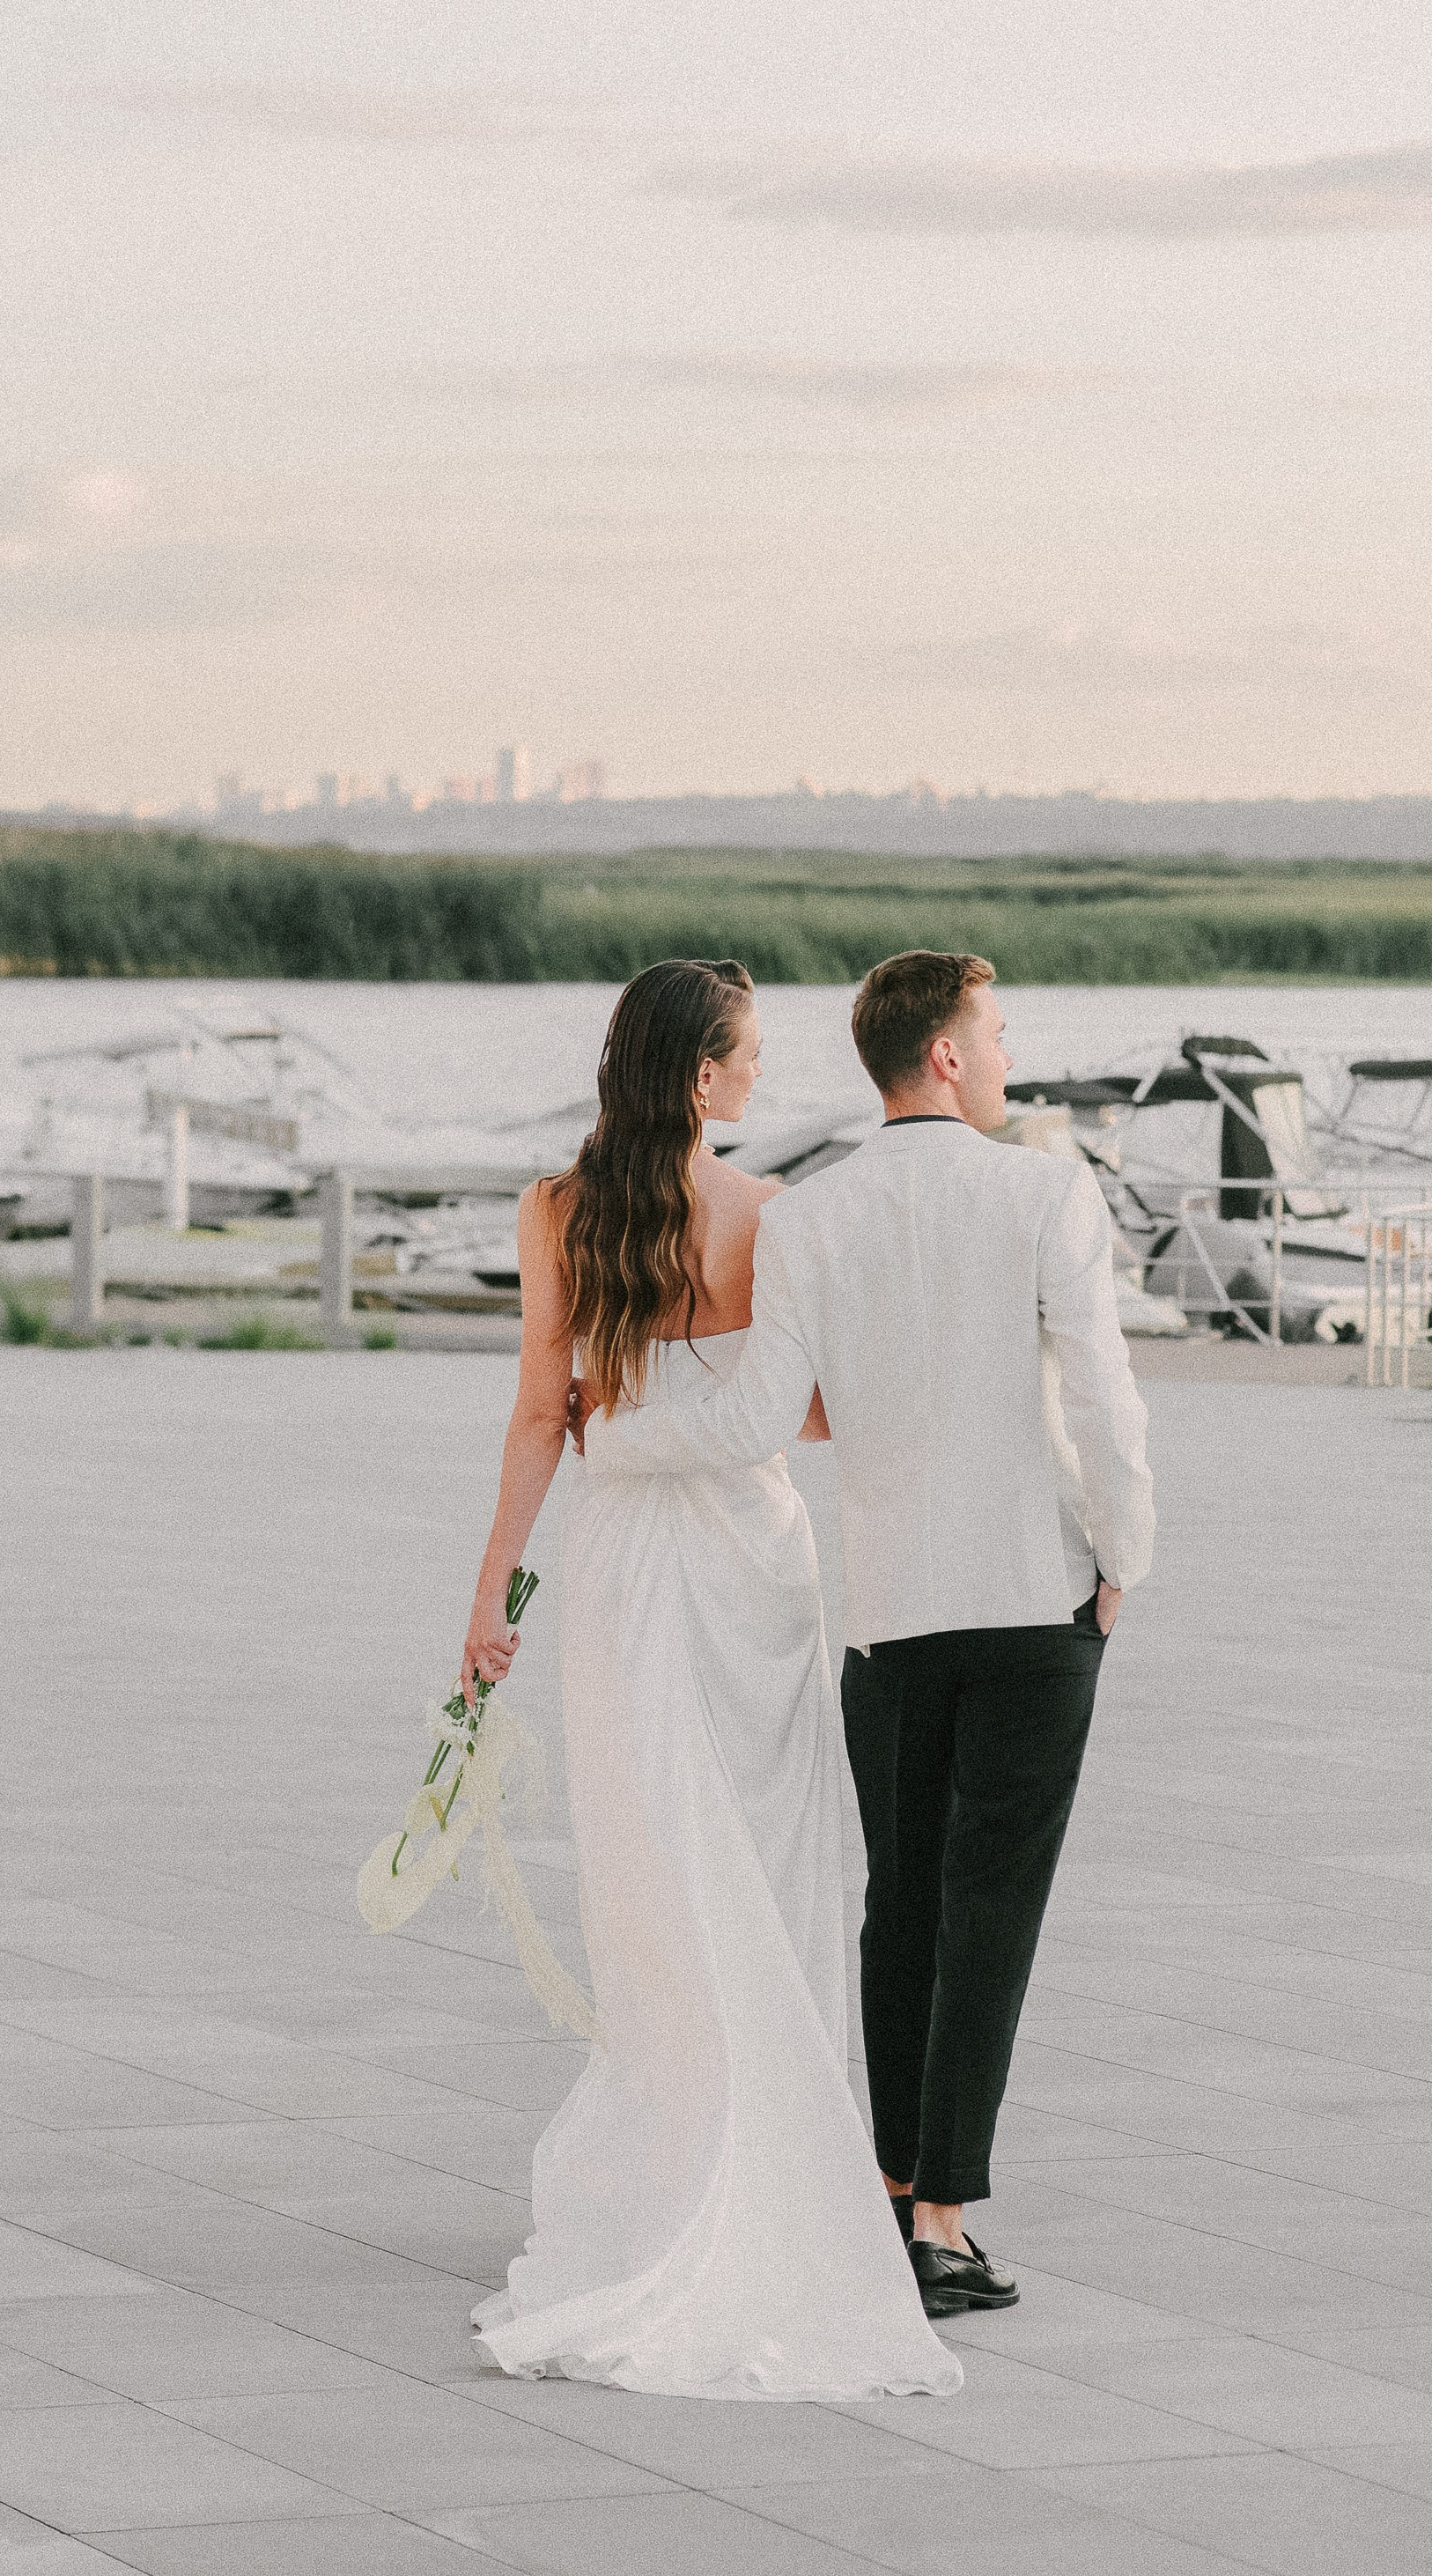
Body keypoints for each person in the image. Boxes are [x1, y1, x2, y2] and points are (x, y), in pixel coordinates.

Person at [584, 950, 1155, 2319]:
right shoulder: (1042, 1190)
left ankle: (897, 2192)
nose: (1010, 1052)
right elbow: (1104, 1394)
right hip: (1032, 1604)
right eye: (997, 1032)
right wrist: (1125, 1561)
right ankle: (941, 2221)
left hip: (890, 1622)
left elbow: (752, 1418)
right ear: (945, 1055)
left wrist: (611, 1442)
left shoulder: (812, 1220)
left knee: (897, 1911)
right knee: (991, 1912)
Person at [461, 957, 960, 2401]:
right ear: (702, 1075)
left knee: (654, 1862)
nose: (761, 1075)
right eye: (747, 1055)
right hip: (751, 1565)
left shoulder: (555, 1210)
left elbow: (538, 1409)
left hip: (623, 1569)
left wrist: (493, 1587)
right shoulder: (773, 1218)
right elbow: (807, 1408)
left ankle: (681, 2143)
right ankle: (775, 2133)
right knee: (775, 1846)